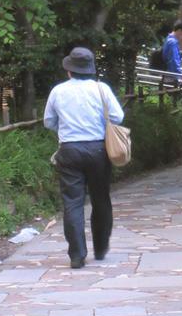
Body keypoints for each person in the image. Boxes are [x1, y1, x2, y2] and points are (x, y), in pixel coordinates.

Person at [44, 46, 124, 268]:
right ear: (89, 70)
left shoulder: (58, 91)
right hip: (98, 149)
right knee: (101, 198)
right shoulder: (101, 89)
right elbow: (118, 116)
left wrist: (67, 126)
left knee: (72, 202)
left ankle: (77, 254)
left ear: (69, 70)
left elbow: (48, 122)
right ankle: (100, 248)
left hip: (69, 150)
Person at [162, 19, 182, 88]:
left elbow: (172, 56)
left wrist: (181, 53)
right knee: (177, 97)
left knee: (176, 97)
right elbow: (173, 60)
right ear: (179, 31)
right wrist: (180, 74)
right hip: (171, 76)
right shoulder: (172, 42)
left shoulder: (169, 39)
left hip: (169, 74)